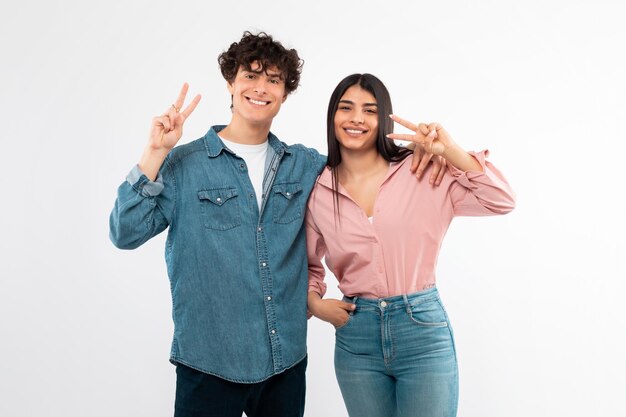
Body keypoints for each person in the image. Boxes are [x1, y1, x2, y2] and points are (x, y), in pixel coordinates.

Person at [109, 31, 327, 417]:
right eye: (250, 75)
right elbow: (124, 233)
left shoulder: (303, 165)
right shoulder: (182, 165)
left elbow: (365, 177)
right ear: (230, 82)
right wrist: (155, 152)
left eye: (273, 80)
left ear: (285, 93)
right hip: (208, 362)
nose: (261, 88)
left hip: (285, 361)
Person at [306, 73, 516, 417]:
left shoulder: (422, 170)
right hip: (356, 336)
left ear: (383, 118)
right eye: (346, 108)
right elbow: (308, 264)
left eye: (370, 110)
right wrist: (315, 304)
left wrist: (451, 151)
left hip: (422, 331)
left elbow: (500, 200)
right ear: (332, 116)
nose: (356, 118)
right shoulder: (318, 189)